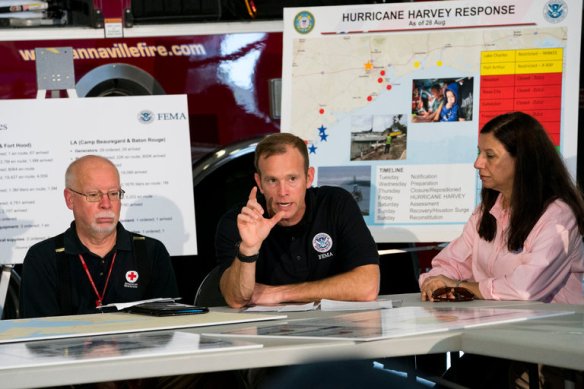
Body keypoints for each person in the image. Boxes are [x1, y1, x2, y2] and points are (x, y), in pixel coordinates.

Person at [419, 111, 584, 387]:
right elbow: (445, 264)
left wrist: (462, 287)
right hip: (499, 341)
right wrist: (435, 283)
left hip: (550, 351)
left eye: (490, 155)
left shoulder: (558, 215)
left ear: (523, 161)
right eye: (479, 153)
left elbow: (525, 289)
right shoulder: (486, 211)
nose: (477, 163)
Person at [216, 132, 380, 308]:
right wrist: (248, 249)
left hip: (339, 328)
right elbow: (236, 299)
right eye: (272, 180)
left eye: (292, 179)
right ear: (259, 182)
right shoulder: (240, 222)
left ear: (308, 177)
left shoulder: (336, 204)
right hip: (268, 331)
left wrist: (279, 294)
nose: (283, 192)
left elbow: (368, 286)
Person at [20, 155, 179, 318]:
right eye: (94, 195)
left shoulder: (151, 252)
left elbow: (167, 327)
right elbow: (40, 334)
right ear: (70, 199)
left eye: (113, 193)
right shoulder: (43, 258)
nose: (106, 204)